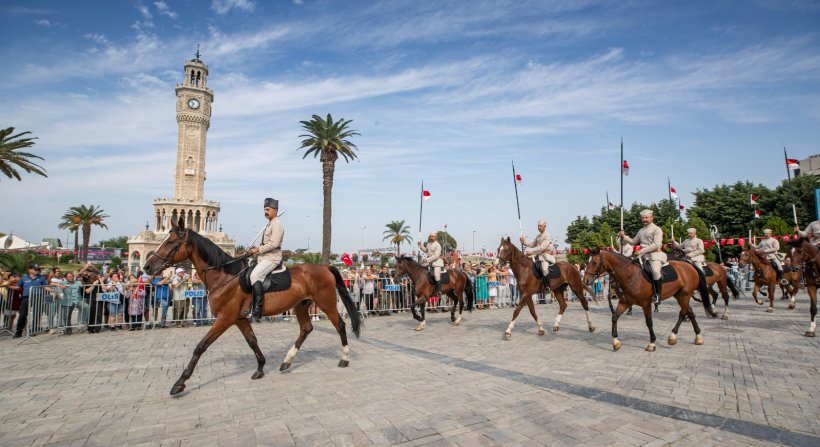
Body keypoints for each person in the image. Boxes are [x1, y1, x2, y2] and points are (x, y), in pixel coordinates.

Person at [618, 209, 666, 305]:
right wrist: (624, 236)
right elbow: (633, 242)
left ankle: (658, 294)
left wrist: (641, 251)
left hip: (654, 255)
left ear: (652, 218)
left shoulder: (657, 229)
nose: (644, 219)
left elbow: (657, 245)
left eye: (646, 217)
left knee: (656, 271)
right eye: (643, 218)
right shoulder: (641, 230)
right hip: (641, 255)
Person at [248, 198, 284, 320]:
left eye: (268, 209)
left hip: (272, 258)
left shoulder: (277, 225)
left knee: (255, 276)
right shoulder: (269, 224)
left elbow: (274, 244)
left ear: (275, 210)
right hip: (263, 257)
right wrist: (253, 252)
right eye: (265, 209)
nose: (265, 211)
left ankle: (258, 309)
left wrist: (258, 249)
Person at [520, 219, 556, 293]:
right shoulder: (538, 236)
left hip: (545, 256)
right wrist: (524, 241)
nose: (539, 227)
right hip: (537, 256)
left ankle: (548, 286)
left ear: (545, 226)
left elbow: (542, 247)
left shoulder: (547, 235)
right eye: (538, 226)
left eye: (541, 226)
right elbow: (532, 245)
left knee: (545, 269)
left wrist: (532, 251)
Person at [12, 264, 47, 338]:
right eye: (36, 269)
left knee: (36, 314)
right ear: (30, 270)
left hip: (38, 297)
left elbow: (46, 287)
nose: (37, 271)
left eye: (38, 269)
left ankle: (33, 330)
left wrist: (55, 289)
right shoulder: (24, 278)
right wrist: (8, 286)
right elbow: (18, 286)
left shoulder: (41, 278)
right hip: (26, 298)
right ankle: (19, 331)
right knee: (22, 315)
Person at [418, 232, 444, 301]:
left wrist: (427, 259)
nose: (431, 237)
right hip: (429, 262)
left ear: (436, 237)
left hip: (437, 263)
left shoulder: (438, 245)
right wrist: (421, 245)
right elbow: (425, 250)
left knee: (436, 275)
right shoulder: (429, 244)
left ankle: (439, 291)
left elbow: (436, 256)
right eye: (430, 236)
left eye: (433, 236)